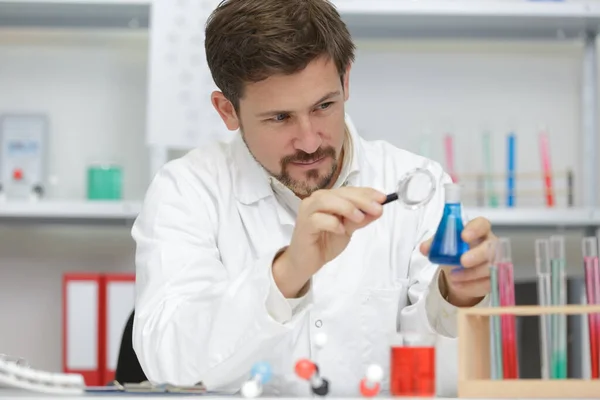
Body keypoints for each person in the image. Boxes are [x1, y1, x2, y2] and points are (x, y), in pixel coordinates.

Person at [131, 0, 495, 396]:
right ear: (227, 111)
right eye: (280, 118)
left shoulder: (418, 187)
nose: (309, 141)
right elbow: (169, 361)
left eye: (323, 106)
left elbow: (445, 371)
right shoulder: (187, 191)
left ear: (346, 82)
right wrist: (286, 274)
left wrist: (458, 293)